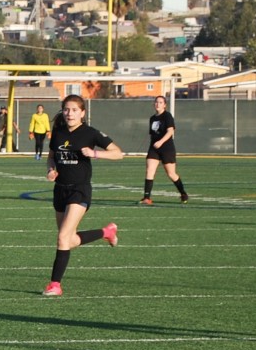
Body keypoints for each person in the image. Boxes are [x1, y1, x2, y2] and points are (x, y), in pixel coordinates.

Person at [43, 94, 124, 297]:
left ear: (83, 113)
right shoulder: (58, 132)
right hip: (60, 190)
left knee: (62, 237)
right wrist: (51, 170)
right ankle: (106, 232)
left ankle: (55, 285)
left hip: (79, 190)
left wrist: (96, 153)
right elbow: (51, 158)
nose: (69, 113)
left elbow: (118, 153)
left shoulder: (90, 133)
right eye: (66, 109)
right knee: (68, 241)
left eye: (74, 110)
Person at [140, 95, 189, 204]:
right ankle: (146, 197)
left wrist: (161, 142)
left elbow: (170, 131)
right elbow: (153, 134)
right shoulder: (152, 118)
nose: (158, 104)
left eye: (160, 102)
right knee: (149, 171)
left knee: (171, 173)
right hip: (154, 148)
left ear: (165, 105)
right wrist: (153, 144)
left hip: (167, 148)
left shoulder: (167, 116)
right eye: (156, 102)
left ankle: (183, 193)